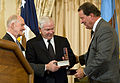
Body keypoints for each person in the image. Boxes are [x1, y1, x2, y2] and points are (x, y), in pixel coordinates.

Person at [74, 2, 119, 83]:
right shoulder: (98, 29)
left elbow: (103, 57)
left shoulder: (105, 30)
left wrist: (85, 71)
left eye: (82, 18)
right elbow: (94, 53)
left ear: (91, 16)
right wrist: (78, 59)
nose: (81, 21)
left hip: (105, 80)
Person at [25, 16, 76, 83]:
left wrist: (66, 63)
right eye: (47, 30)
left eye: (52, 29)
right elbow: (29, 65)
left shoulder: (63, 41)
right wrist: (47, 67)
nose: (51, 32)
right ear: (40, 29)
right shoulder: (32, 44)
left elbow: (72, 59)